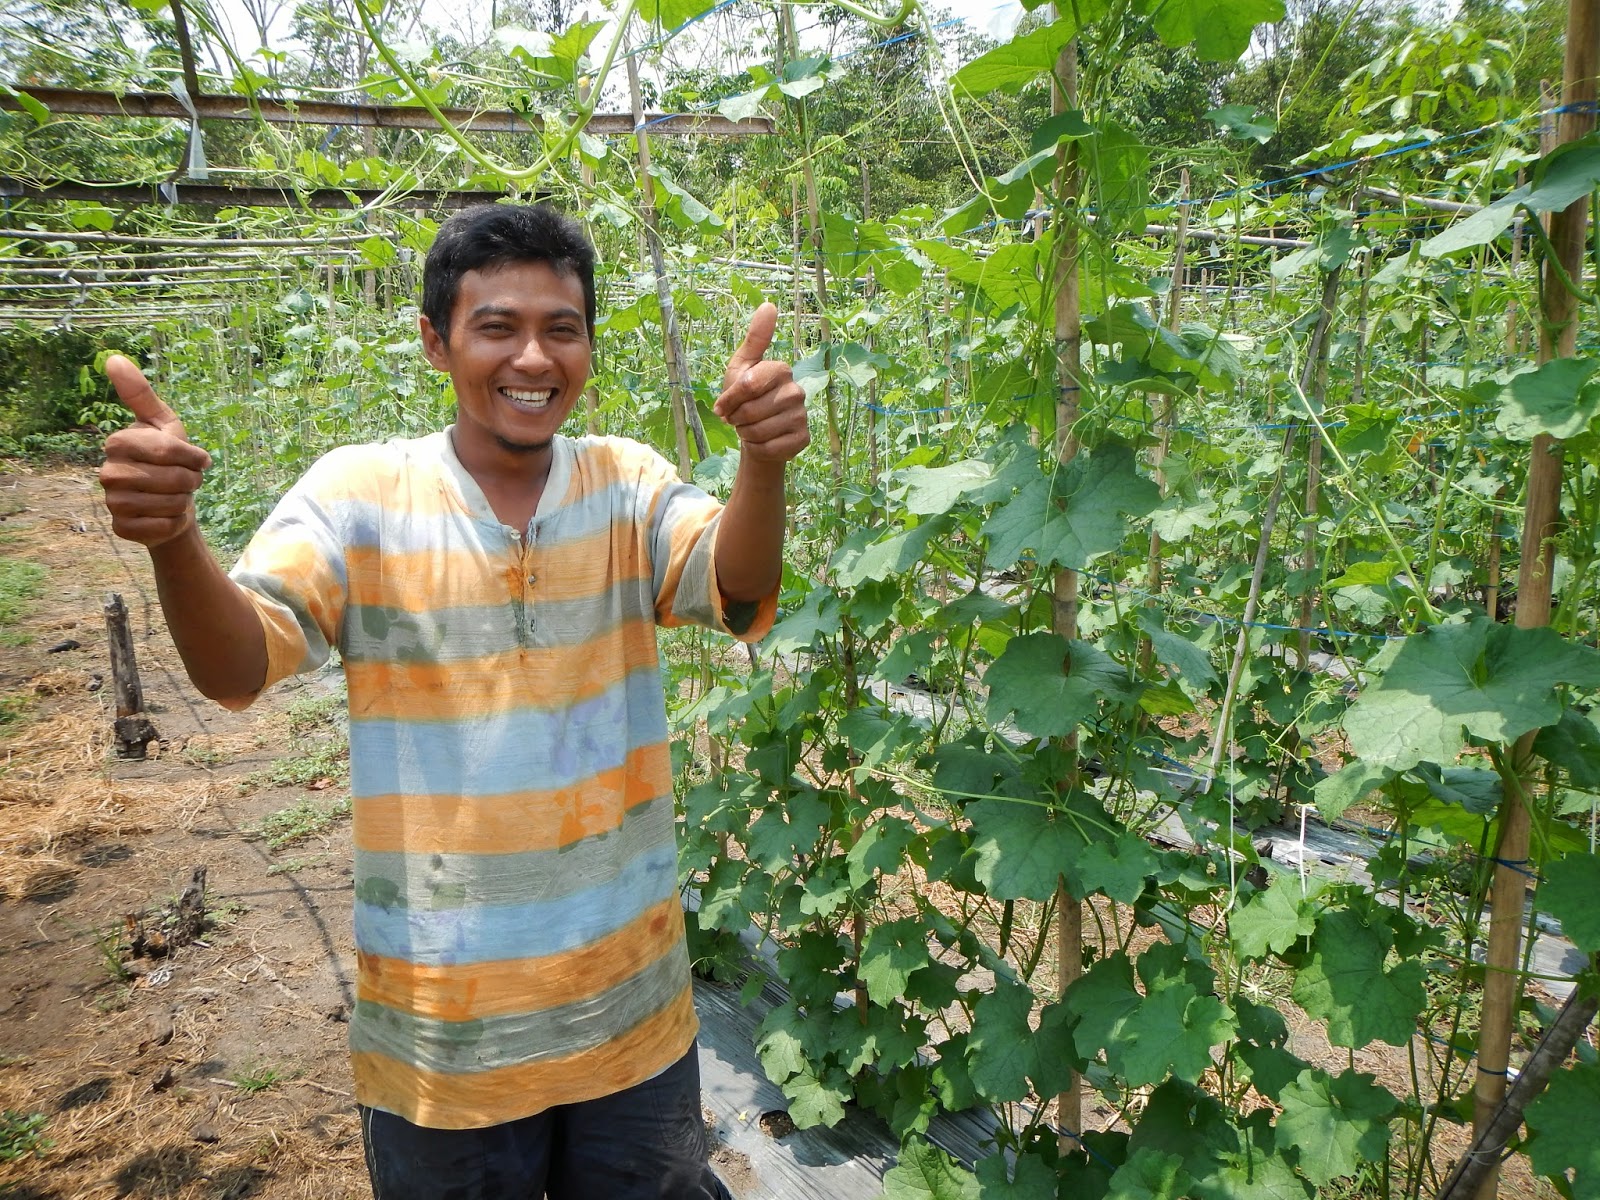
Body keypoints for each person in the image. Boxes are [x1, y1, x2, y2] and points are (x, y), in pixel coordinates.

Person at [98, 202, 809, 1199]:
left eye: (561, 328)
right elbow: (236, 668)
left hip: (629, 1012)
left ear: (589, 346)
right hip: (445, 1035)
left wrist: (762, 467)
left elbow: (736, 594)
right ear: (436, 342)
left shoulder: (626, 484)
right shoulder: (357, 497)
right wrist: (175, 540)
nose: (533, 357)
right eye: (495, 327)